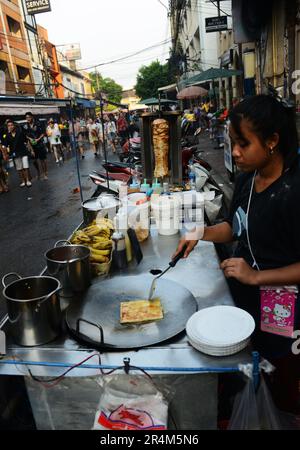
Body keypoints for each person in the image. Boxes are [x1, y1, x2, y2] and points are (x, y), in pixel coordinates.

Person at [174, 95, 300, 415]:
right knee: (248, 368)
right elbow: (233, 226)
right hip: (244, 299)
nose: (235, 152)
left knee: (280, 378)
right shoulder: (247, 177)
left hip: (281, 307)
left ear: (273, 141)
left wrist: (256, 276)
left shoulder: (292, 192)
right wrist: (200, 232)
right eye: (233, 142)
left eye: (243, 143)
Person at [6, 120, 31, 188]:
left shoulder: (20, 133)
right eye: (8, 126)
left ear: (14, 126)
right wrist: (8, 153)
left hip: (23, 152)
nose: (10, 127)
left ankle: (28, 180)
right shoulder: (7, 136)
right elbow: (6, 145)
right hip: (15, 154)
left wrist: (30, 149)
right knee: (19, 169)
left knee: (25, 167)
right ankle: (23, 181)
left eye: (11, 125)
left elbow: (26, 141)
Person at [23, 112, 48, 180]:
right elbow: (25, 135)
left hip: (40, 144)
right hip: (32, 146)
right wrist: (29, 139)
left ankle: (45, 173)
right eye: (26, 118)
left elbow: (43, 133)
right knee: (34, 161)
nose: (28, 119)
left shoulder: (38, 123)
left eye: (29, 117)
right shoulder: (25, 126)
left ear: (32, 117)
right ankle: (39, 172)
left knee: (42, 160)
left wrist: (38, 139)